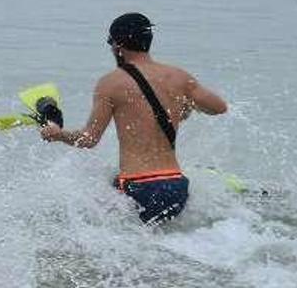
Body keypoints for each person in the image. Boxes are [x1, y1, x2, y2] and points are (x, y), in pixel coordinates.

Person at [39, 13, 227, 225]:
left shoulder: (110, 83)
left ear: (118, 44)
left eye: (110, 42)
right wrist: (187, 106)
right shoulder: (180, 77)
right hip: (176, 185)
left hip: (137, 187)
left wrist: (57, 134)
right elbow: (219, 108)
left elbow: (88, 139)